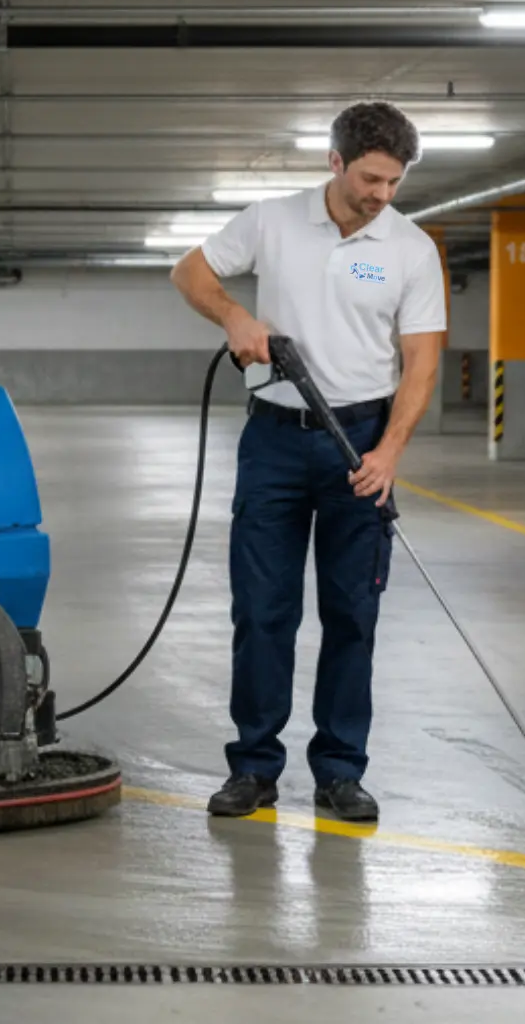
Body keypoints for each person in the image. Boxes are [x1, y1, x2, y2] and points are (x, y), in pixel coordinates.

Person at [169, 102, 447, 822]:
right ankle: (253, 766)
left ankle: (340, 771)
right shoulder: (272, 220)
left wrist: (390, 451)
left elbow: (421, 360)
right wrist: (235, 316)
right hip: (275, 442)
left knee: (353, 613)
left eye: (394, 181)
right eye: (370, 178)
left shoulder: (411, 248)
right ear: (335, 161)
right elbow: (189, 272)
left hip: (360, 439)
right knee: (263, 611)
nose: (382, 194)